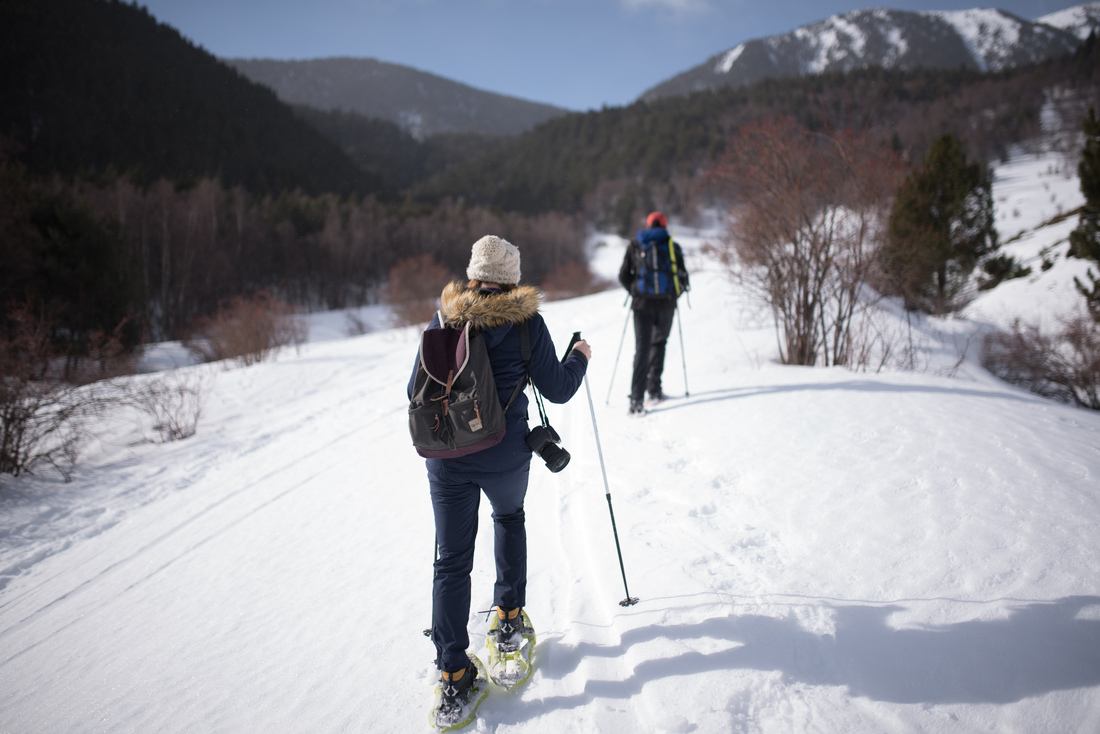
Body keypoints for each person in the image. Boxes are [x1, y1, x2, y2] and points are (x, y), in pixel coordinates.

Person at [408, 234, 590, 720]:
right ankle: (508, 619)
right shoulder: (527, 322)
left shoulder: (445, 317)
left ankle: (452, 673)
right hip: (505, 452)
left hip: (446, 458)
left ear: (473, 272)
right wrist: (580, 356)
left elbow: (415, 387)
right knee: (509, 518)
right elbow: (560, 388)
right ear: (511, 276)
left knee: (451, 562)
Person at [618, 210, 689, 414]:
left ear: (648, 225)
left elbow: (623, 275)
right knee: (659, 344)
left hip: (642, 305)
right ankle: (655, 390)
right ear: (664, 225)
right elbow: (683, 278)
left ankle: (636, 401)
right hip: (666, 304)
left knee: (642, 349)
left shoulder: (636, 245)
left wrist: (635, 291)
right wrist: (674, 295)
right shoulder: (672, 246)